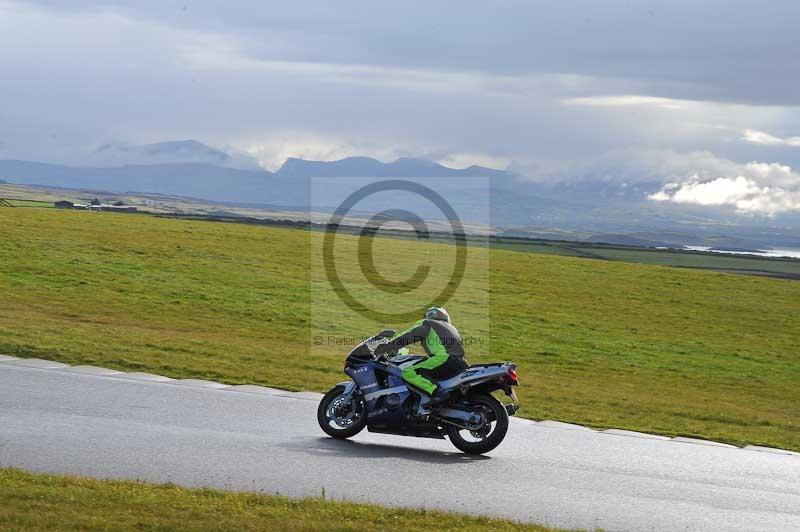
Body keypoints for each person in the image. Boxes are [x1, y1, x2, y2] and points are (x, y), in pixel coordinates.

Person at [379, 306, 468, 407]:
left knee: (409, 372)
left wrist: (387, 346)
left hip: (444, 359)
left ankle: (438, 392)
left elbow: (409, 336)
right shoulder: (452, 329)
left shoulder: (427, 323)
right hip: (462, 363)